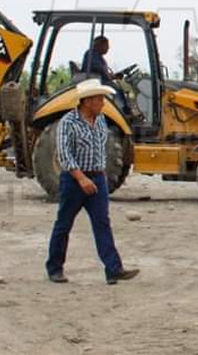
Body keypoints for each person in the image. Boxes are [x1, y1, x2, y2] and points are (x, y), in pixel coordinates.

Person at [45, 79, 141, 285]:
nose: (103, 103)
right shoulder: (68, 122)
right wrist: (81, 178)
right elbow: (64, 155)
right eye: (99, 99)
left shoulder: (100, 121)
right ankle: (54, 268)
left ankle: (113, 269)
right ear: (87, 101)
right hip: (73, 180)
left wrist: (100, 175)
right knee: (64, 224)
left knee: (102, 223)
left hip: (97, 178)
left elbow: (101, 150)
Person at [81, 36, 133, 115]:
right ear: (99, 45)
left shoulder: (97, 56)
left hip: (99, 80)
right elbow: (100, 69)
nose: (108, 48)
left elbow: (103, 72)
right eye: (106, 45)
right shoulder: (92, 54)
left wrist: (114, 76)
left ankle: (125, 111)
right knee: (116, 90)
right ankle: (124, 112)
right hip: (96, 82)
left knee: (118, 88)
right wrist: (111, 76)